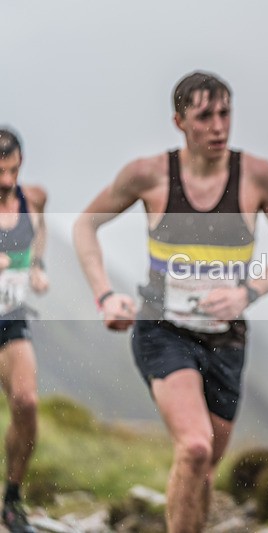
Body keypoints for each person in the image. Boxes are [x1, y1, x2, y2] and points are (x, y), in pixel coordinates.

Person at [73, 72, 268, 533]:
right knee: (193, 447)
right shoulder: (148, 174)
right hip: (162, 328)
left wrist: (247, 292)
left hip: (227, 338)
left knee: (205, 467)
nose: (218, 127)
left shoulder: (257, 176)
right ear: (179, 121)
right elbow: (84, 226)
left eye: (225, 113)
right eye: (204, 116)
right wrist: (105, 295)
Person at [0, 128, 48, 533]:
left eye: (12, 170)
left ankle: (12, 501)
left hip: (11, 317)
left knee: (27, 402)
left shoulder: (33, 198)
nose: (6, 181)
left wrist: (37, 265)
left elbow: (40, 230)